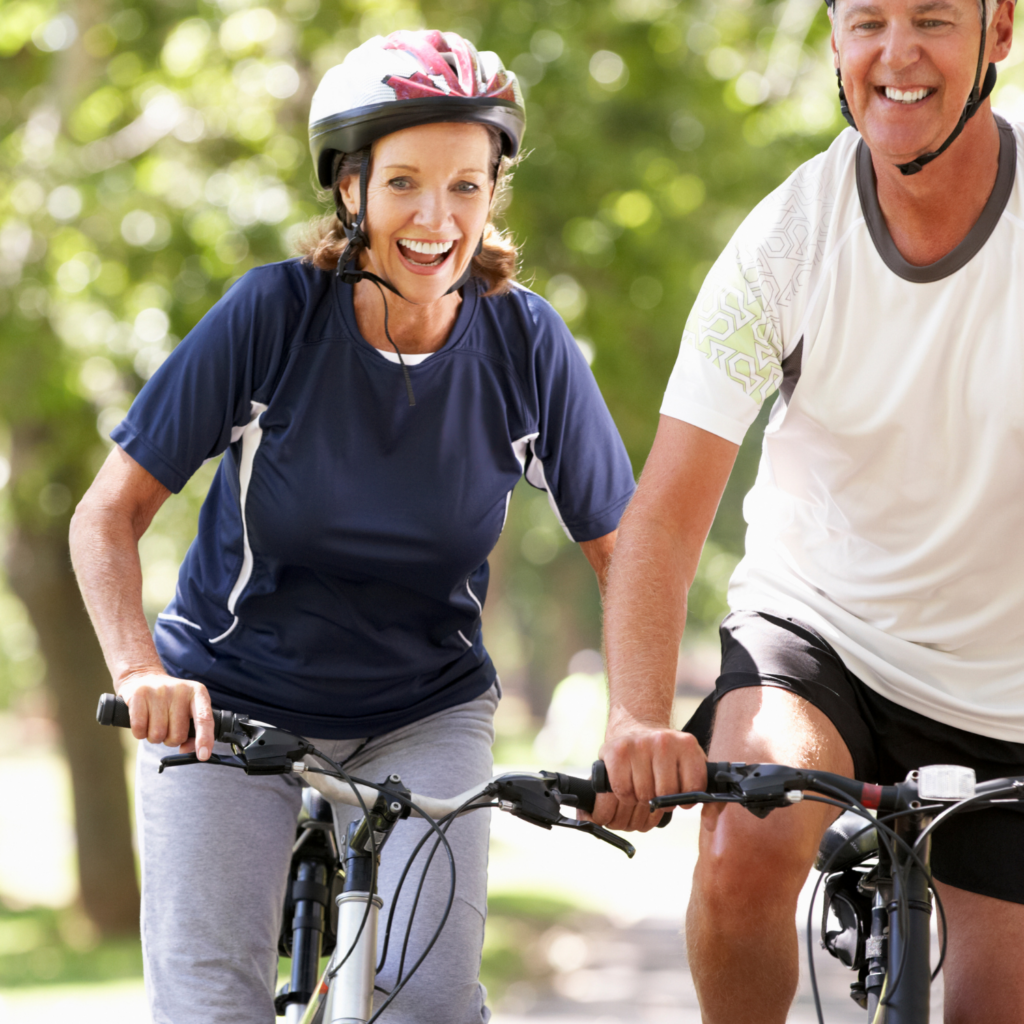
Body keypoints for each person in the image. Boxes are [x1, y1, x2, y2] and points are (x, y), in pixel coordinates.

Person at [70, 30, 635, 1024]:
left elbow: (626, 551)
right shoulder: (273, 318)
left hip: (423, 707)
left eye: (466, 186)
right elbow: (106, 515)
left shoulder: (523, 342)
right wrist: (136, 673)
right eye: (406, 182)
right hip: (229, 703)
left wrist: (634, 719)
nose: (435, 216)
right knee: (210, 1004)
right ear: (350, 189)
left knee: (426, 1003)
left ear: (492, 195)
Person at [590, 0, 1024, 1020]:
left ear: (998, 31)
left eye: (931, 18)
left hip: (1005, 681)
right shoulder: (783, 243)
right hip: (818, 637)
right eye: (866, 19)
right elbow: (662, 515)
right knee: (744, 842)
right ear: (833, 39)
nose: (896, 53)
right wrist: (636, 716)